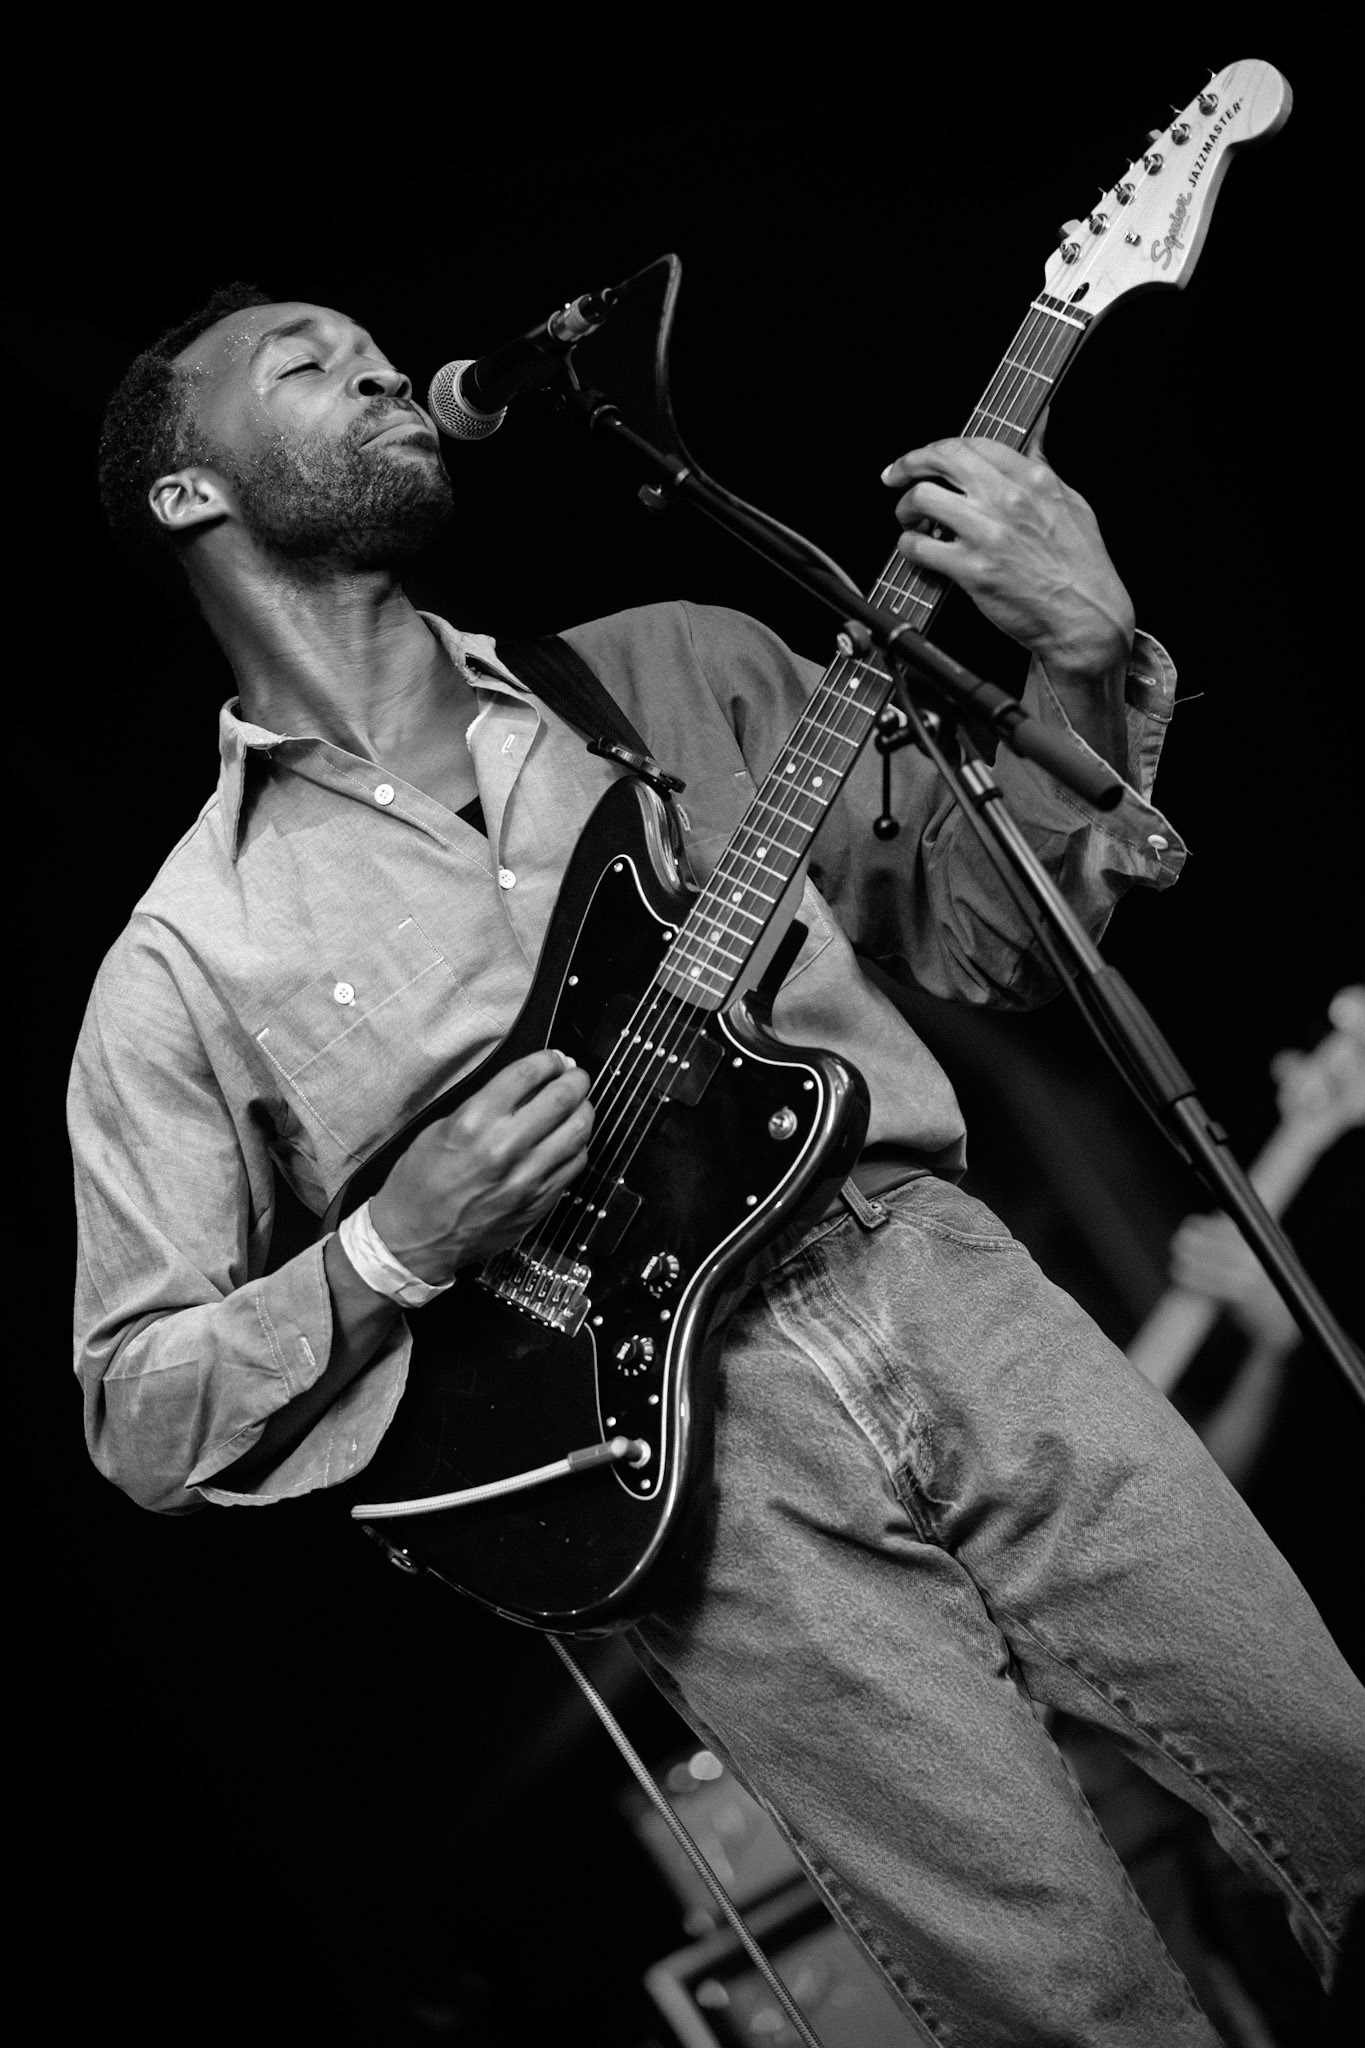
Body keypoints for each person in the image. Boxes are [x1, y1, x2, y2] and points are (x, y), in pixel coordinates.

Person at [70, 282, 1364, 2047]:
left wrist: (1079, 655)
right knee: (1060, 1996)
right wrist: (386, 1248)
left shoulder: (659, 667)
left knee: (1338, 1769)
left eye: (373, 345)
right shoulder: (187, 954)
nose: (375, 363)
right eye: (301, 363)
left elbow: (996, 938)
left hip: (929, 1270)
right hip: (695, 1486)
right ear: (188, 493)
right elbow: (144, 1407)